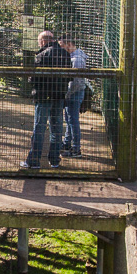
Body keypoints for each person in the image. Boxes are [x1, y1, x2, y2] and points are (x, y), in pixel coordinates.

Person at [21, 30, 71, 170]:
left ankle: (34, 161)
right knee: (57, 129)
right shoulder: (65, 54)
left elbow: (33, 78)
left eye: (39, 42)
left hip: (43, 97)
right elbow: (70, 77)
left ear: (43, 41)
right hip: (59, 96)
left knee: (39, 127)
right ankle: (54, 160)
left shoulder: (41, 55)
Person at [60, 37, 87, 158]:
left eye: (62, 46)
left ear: (69, 44)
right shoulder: (75, 56)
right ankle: (67, 143)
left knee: (73, 120)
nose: (61, 49)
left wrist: (66, 95)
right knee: (69, 118)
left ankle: (76, 149)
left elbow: (75, 82)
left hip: (74, 93)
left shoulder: (76, 59)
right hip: (74, 92)